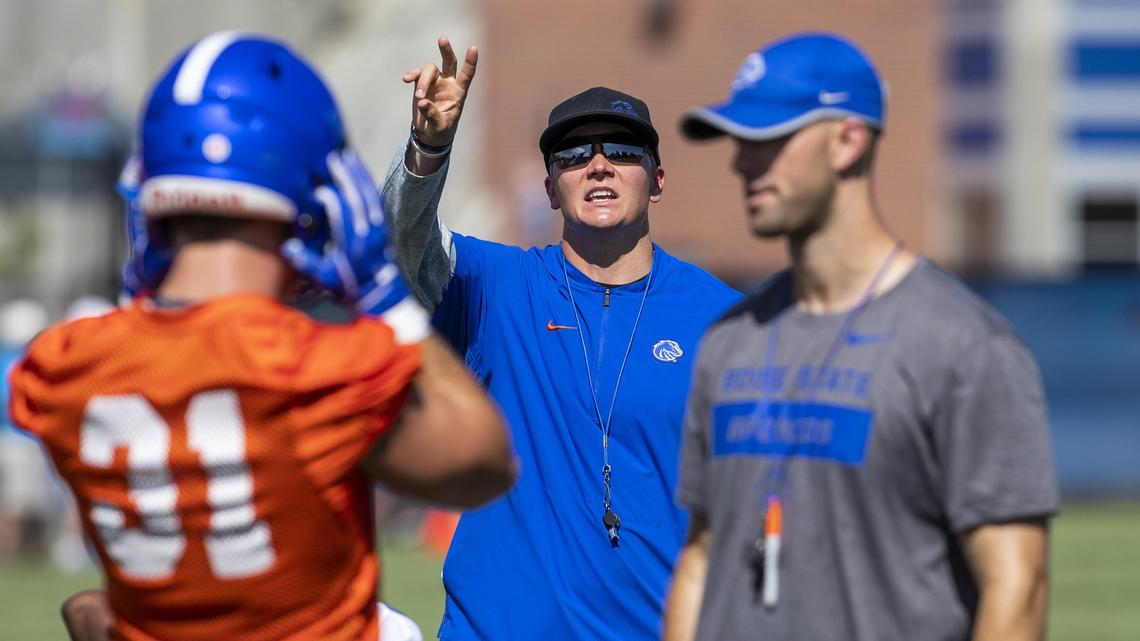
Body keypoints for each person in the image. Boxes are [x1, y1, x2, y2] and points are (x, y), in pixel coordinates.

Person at [7, 32, 515, 641]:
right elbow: (485, 464)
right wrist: (384, 295)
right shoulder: (318, 365)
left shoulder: (63, 365)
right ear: (315, 191)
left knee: (90, 607)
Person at [662, 32, 1059, 641]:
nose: (741, 161)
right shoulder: (730, 339)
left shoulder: (966, 347)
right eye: (739, 141)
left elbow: (1018, 585)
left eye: (768, 139)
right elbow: (701, 555)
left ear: (846, 141)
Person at [383, 38, 741, 640]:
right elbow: (396, 247)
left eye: (622, 151)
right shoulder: (498, 287)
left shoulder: (724, 318)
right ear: (550, 189)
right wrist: (428, 149)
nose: (597, 165)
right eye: (573, 156)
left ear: (656, 181)